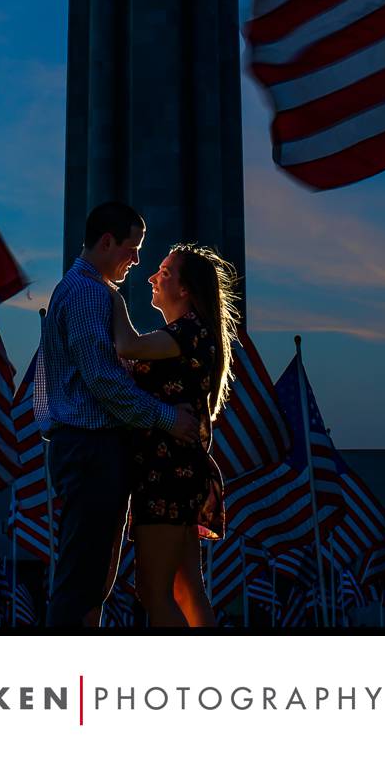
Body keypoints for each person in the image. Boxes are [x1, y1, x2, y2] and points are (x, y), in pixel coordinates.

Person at [37, 201, 201, 627]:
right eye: (132, 247)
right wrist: (167, 417)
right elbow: (103, 380)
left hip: (91, 449)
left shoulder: (89, 291)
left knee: (93, 577)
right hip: (91, 447)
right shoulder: (89, 293)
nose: (137, 259)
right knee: (84, 578)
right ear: (107, 242)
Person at [112, 242, 237, 628]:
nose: (152, 277)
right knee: (186, 589)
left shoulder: (188, 333)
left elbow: (128, 344)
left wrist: (109, 294)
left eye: (164, 272)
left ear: (184, 289)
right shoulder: (192, 334)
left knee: (153, 591)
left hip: (167, 474)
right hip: (177, 472)